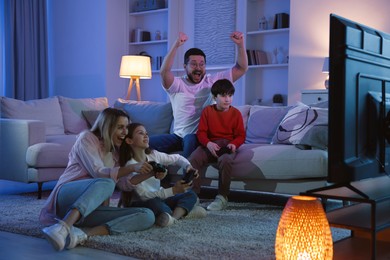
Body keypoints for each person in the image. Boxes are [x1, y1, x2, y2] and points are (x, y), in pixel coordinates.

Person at [39, 108, 155, 252]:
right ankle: (63, 227)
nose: (125, 132)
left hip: (89, 209)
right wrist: (132, 168)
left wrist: (150, 174)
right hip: (65, 198)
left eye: (126, 127)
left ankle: (82, 234)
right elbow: (98, 172)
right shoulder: (86, 138)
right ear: (107, 127)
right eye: (120, 127)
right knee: (107, 182)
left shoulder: (116, 154)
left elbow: (124, 184)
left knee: (147, 215)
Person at [149, 31, 248, 158]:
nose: (198, 68)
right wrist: (176, 45)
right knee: (144, 142)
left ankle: (186, 174)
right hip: (178, 136)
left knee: (190, 139)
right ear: (185, 66)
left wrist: (240, 45)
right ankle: (160, 174)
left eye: (202, 64)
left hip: (198, 137)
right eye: (193, 64)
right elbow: (164, 71)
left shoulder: (213, 81)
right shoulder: (177, 85)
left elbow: (241, 68)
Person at [117, 123, 206, 227]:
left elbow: (177, 158)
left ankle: (173, 218)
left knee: (190, 194)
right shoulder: (130, 165)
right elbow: (144, 196)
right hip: (142, 202)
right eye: (141, 133)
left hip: (158, 197)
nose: (146, 136)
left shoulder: (153, 155)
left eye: (146, 133)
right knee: (158, 205)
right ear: (129, 140)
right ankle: (182, 211)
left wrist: (188, 166)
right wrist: (173, 190)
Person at [189, 79, 246, 211]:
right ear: (215, 97)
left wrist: (233, 144)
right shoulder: (207, 111)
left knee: (226, 160)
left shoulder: (236, 113)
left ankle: (222, 197)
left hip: (227, 145)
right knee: (193, 158)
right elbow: (201, 133)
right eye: (223, 96)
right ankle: (193, 195)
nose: (227, 99)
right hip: (210, 145)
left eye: (230, 95)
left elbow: (240, 136)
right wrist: (208, 143)